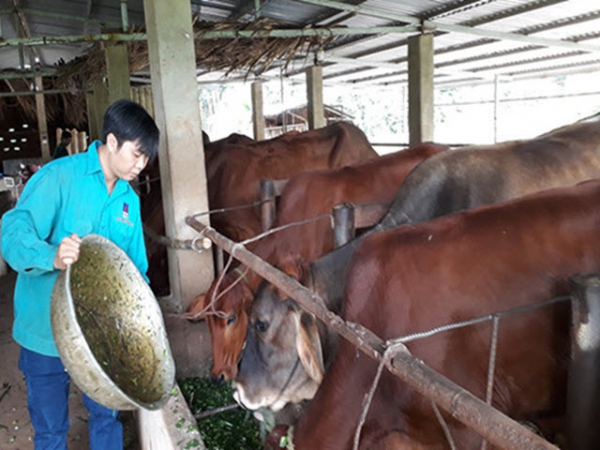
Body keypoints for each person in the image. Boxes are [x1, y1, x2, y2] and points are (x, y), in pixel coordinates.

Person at [1, 99, 159, 450]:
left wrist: (144, 321)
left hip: (100, 335)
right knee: (52, 429)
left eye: (147, 158)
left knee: (107, 416)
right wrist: (50, 255)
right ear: (113, 141)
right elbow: (12, 230)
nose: (141, 165)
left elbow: (135, 270)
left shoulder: (127, 201)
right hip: (44, 331)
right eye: (137, 154)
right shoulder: (58, 177)